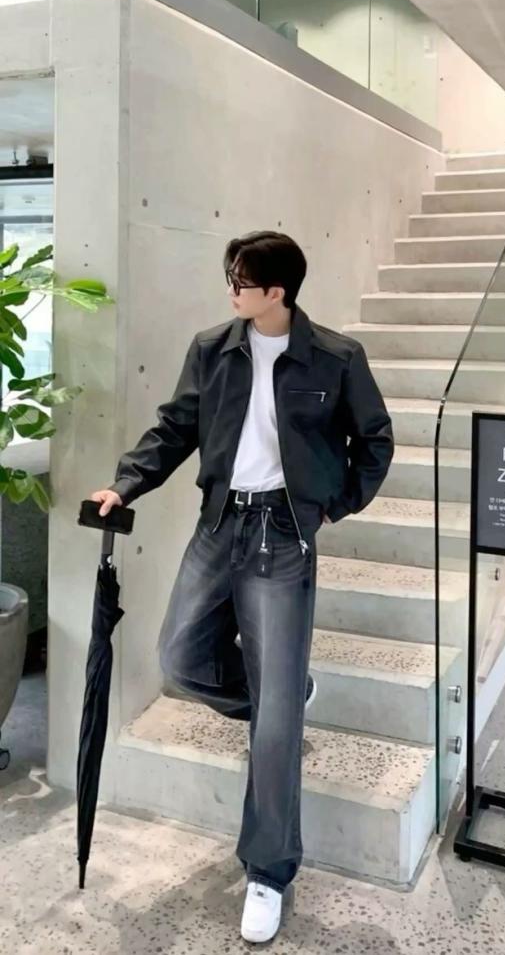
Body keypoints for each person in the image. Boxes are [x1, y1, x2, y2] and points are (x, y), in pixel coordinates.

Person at [90, 229, 394, 943]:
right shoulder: (212, 349)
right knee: (179, 659)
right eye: (231, 277)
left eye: (242, 280)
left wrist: (332, 504)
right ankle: (284, 694)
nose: (231, 289)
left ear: (276, 291)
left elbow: (375, 440)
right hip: (219, 525)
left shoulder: (336, 357)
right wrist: (126, 483)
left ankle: (268, 870)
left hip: (283, 534)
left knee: (276, 723)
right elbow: (175, 429)